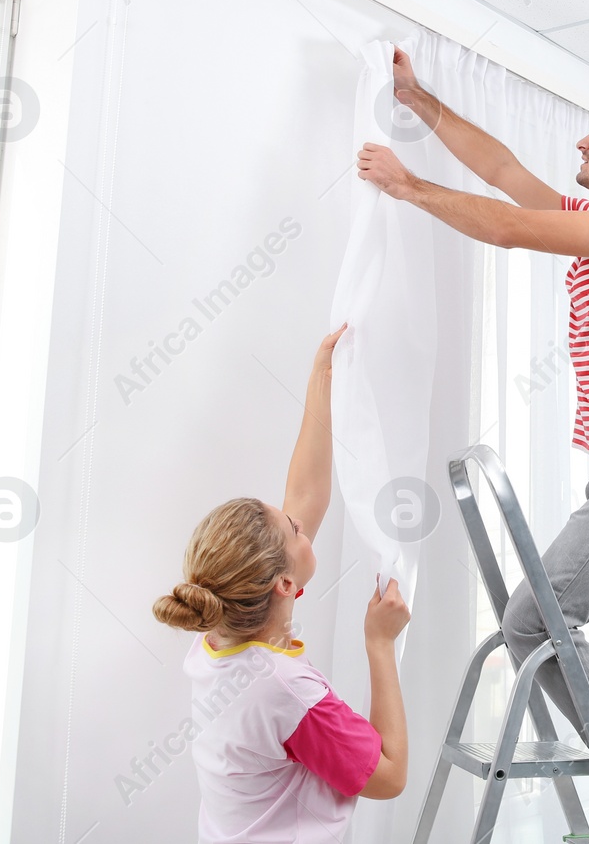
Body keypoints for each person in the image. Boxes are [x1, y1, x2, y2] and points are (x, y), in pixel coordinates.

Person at [357, 49, 589, 844]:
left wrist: (408, 187)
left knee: (534, 620)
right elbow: (508, 174)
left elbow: (513, 227)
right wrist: (422, 102)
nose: (582, 142)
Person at [153, 325, 412, 844]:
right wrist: (379, 643)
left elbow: (304, 493)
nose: (300, 520)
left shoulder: (218, 641)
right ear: (284, 584)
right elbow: (389, 776)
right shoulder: (283, 690)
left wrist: (322, 380)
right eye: (294, 529)